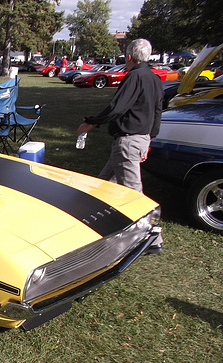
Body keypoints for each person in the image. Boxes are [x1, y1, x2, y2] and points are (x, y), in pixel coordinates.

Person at [76, 38, 164, 250]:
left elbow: (117, 108)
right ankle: (88, 224)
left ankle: (152, 240)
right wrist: (149, 138)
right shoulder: (154, 78)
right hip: (140, 139)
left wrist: (91, 123)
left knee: (134, 193)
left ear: (129, 56)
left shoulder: (135, 77)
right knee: (103, 183)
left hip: (128, 141)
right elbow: (157, 111)